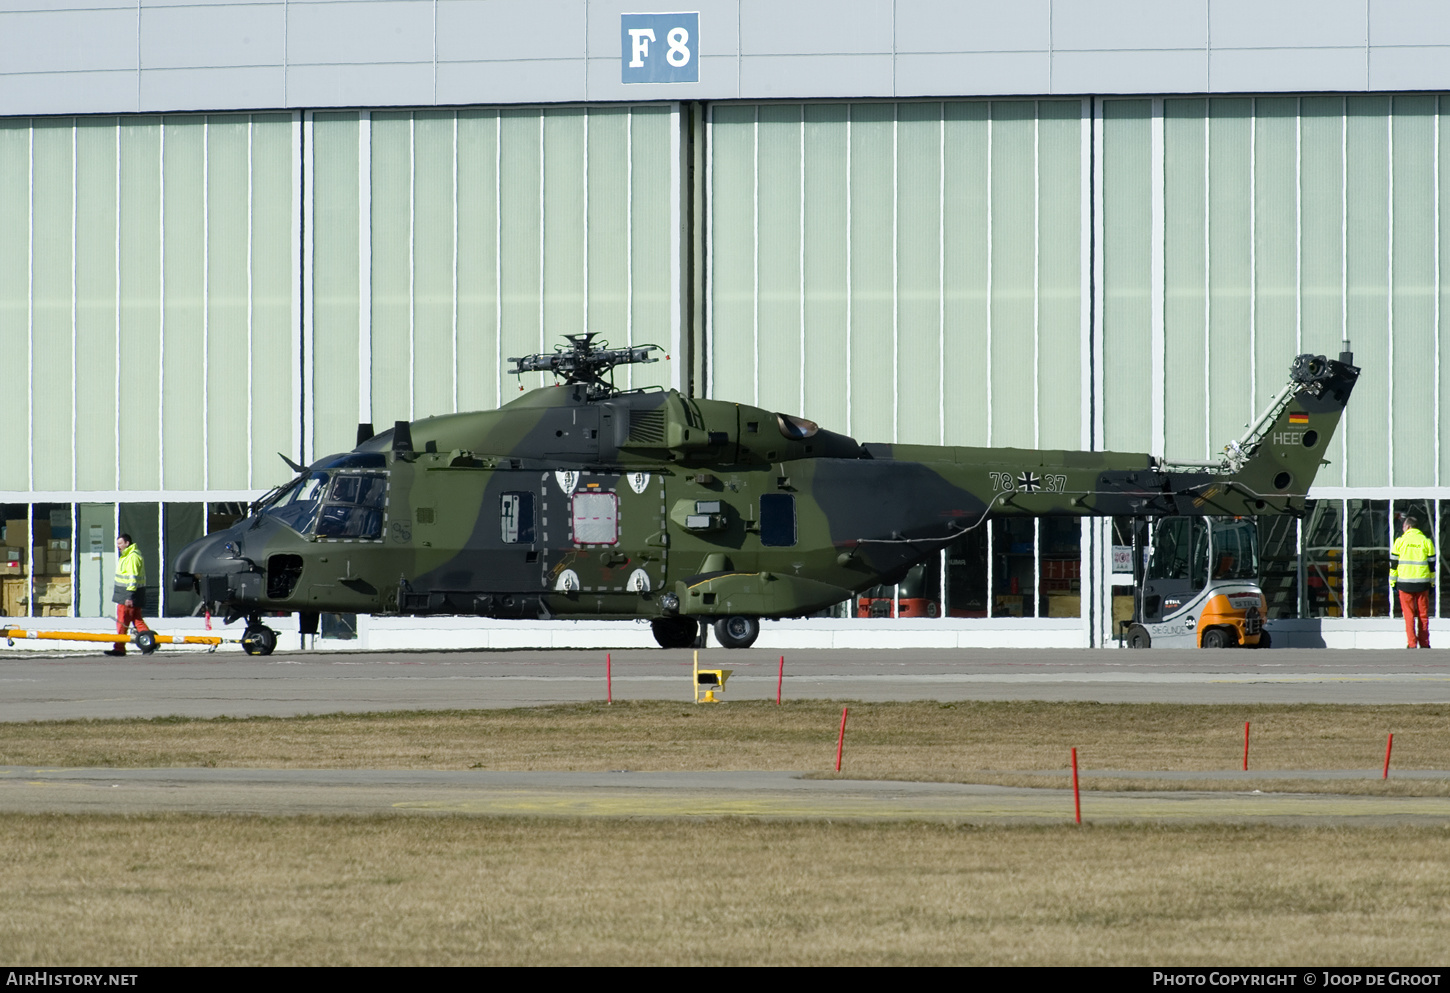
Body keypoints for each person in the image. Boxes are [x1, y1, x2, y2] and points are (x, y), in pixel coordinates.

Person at [1390, 513, 1436, 649]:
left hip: (1404, 584)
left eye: (1404, 526)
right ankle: (1425, 643)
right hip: (1422, 583)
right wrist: (1432, 584)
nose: (1403, 529)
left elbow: (1393, 565)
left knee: (1409, 615)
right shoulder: (1426, 541)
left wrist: (1393, 582)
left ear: (1408, 526)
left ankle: (1411, 643)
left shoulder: (1399, 541)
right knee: (1423, 615)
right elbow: (1432, 566)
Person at [105, 533, 153, 656]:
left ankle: (119, 648)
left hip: (127, 596)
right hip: (130, 595)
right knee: (137, 620)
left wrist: (129, 596)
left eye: (120, 543)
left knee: (122, 622)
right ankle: (150, 644)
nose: (118, 546)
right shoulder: (129, 555)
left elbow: (132, 578)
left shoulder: (131, 557)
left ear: (127, 543)